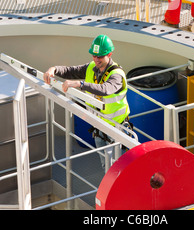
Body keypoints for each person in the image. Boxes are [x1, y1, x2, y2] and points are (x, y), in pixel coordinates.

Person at [43, 34, 130, 169]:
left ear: (110, 54)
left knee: (118, 170)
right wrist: (53, 69)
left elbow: (105, 89)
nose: (96, 59)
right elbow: (70, 71)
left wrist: (80, 84)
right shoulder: (91, 68)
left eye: (100, 56)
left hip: (117, 130)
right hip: (100, 129)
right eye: (94, 56)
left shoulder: (117, 75)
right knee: (107, 168)